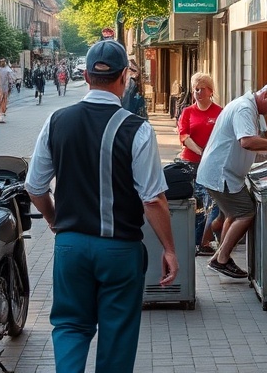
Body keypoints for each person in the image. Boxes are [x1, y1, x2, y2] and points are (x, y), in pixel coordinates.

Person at [25, 39, 178, 373]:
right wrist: (169, 249)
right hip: (119, 250)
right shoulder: (137, 129)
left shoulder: (56, 120)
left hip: (71, 246)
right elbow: (152, 199)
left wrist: (54, 220)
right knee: (117, 333)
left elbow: (35, 187)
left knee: (69, 325)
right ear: (125, 77)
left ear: (86, 75)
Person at [196, 80, 267, 278]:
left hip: (223, 173)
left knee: (232, 214)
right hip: (221, 173)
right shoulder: (245, 108)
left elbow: (252, 149)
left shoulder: (250, 109)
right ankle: (221, 259)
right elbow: (247, 142)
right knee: (245, 212)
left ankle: (220, 257)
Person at [177, 72, 224, 256]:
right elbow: (184, 136)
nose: (197, 92)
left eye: (201, 89)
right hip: (191, 162)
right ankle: (195, 241)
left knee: (212, 203)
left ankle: (204, 240)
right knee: (195, 203)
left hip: (213, 164)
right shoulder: (188, 111)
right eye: (195, 89)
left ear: (210, 91)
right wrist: (200, 151)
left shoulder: (219, 112)